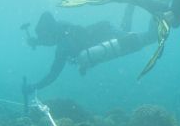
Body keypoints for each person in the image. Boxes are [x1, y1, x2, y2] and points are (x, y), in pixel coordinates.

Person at [20, 9, 151, 95]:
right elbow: (50, 40)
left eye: (44, 36)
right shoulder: (61, 26)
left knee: (145, 38)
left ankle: (146, 9)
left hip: (107, 33)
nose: (44, 40)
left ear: (50, 33)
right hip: (105, 29)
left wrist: (35, 87)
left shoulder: (63, 46)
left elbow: (53, 74)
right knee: (127, 31)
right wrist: (37, 41)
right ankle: (131, 6)